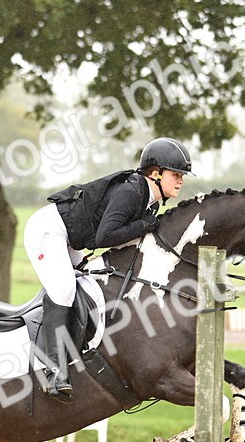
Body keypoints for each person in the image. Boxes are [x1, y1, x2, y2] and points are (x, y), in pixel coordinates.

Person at [24, 136, 193, 403]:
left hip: (71, 238)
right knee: (64, 289)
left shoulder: (149, 198)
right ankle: (54, 371)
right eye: (176, 174)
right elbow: (106, 237)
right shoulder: (131, 192)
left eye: (182, 175)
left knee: (86, 282)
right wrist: (146, 225)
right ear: (156, 173)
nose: (181, 180)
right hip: (48, 231)